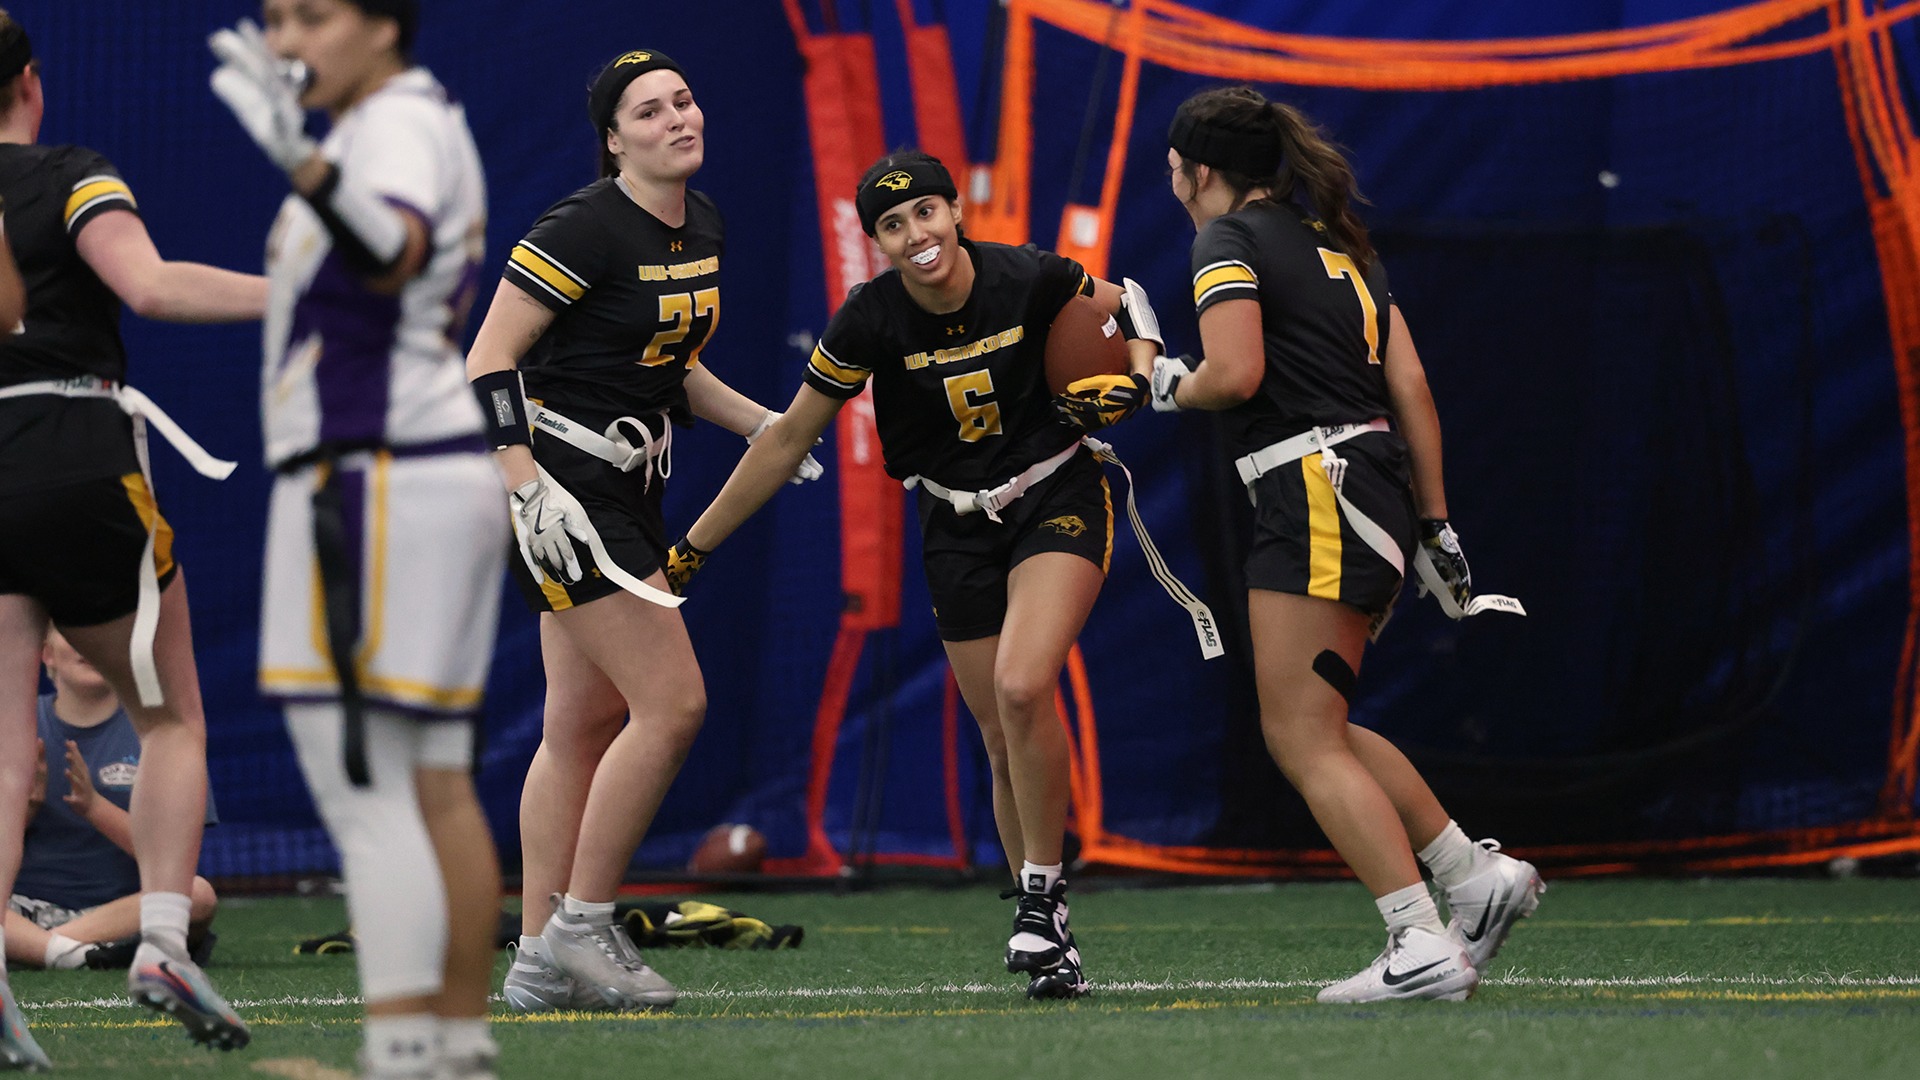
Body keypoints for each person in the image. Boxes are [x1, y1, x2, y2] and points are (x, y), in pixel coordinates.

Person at [669, 149, 1161, 999]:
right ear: (877, 242)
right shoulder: (868, 319)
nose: (915, 235)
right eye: (892, 225)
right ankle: (1053, 934)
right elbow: (787, 438)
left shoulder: (1028, 276)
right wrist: (693, 546)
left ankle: (1040, 906)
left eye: (925, 213)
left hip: (1055, 493)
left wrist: (1139, 379)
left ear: (955, 211)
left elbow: (1131, 305)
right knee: (1000, 736)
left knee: (1020, 684)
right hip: (952, 522)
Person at [1145, 86, 1543, 1003]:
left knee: (1298, 737)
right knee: (1321, 727)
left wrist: (1162, 379)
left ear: (1200, 170)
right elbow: (1413, 389)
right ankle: (1469, 877)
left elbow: (1235, 373)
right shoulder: (1341, 244)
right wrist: (1437, 527)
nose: (1171, 177)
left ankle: (1420, 945)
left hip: (1314, 487)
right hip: (1373, 488)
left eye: (1175, 163)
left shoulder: (1226, 242)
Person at [466, 47, 823, 1015]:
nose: (678, 118)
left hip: (636, 485)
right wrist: (526, 485)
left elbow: (675, 370)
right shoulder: (583, 225)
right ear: (613, 138)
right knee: (673, 706)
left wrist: (768, 428)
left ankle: (540, 961)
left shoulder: (700, 219)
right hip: (569, 491)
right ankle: (584, 925)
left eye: (685, 99)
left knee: (577, 727)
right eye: (651, 111)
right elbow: (488, 357)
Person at [207, 1, 505, 1076]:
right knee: (427, 783)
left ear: (385, 24)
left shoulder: (387, 131)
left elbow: (392, 252)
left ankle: (404, 1053)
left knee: (371, 790)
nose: (289, 40)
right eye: (277, 15)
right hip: (404, 474)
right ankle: (450, 1047)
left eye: (316, 15)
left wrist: (309, 172)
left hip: (375, 478)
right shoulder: (394, 123)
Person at [0, 9, 264, 1067]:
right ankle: (162, 943)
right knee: (172, 717)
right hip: (72, 445)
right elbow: (150, 285)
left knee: (3, 733)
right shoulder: (67, 171)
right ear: (30, 82)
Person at [6, 630, 219, 973]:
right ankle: (75, 955)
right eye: (71, 629)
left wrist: (95, 808)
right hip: (20, 911)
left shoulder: (164, 732)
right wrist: (25, 809)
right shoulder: (15, 727)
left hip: (124, 917)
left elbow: (177, 858)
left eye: (93, 630)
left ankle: (40, 949)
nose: (87, 641)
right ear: (47, 654)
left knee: (198, 894)